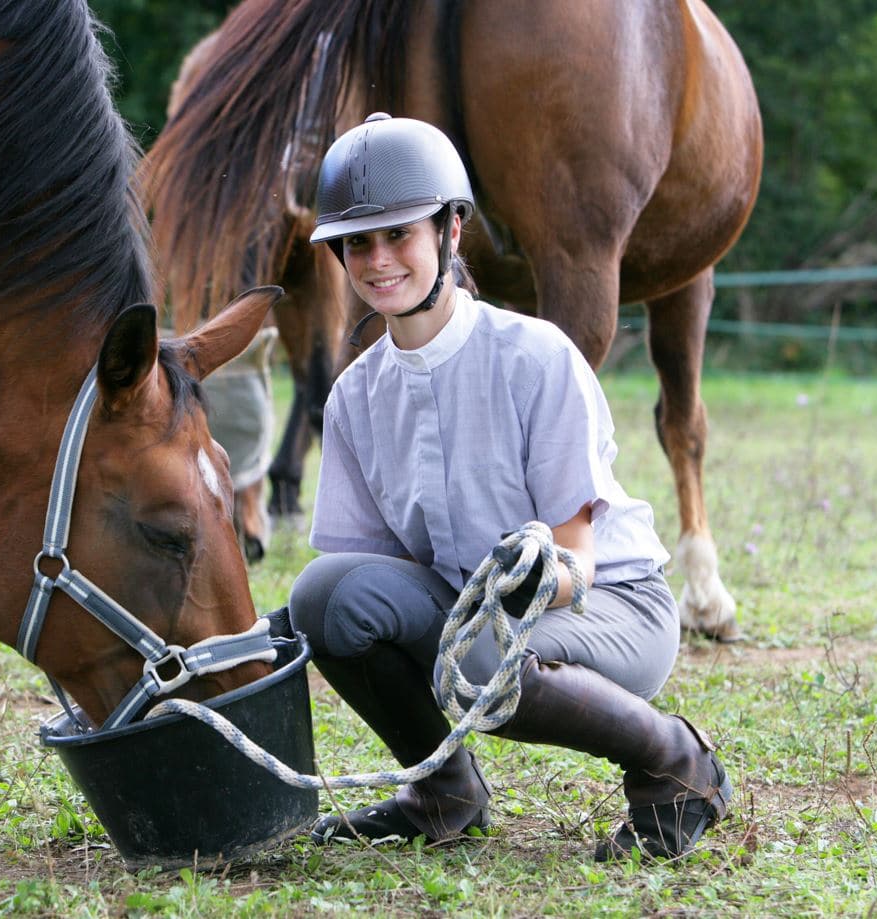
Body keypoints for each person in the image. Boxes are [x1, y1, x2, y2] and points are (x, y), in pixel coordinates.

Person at [288, 113, 733, 860]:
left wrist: (516, 585)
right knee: (320, 598)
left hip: (610, 605)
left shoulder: (535, 356)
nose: (377, 260)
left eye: (399, 234)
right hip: (475, 613)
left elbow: (575, 565)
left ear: (450, 231)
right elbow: (367, 579)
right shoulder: (354, 397)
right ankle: (443, 792)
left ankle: (677, 767)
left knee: (474, 657)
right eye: (357, 242)